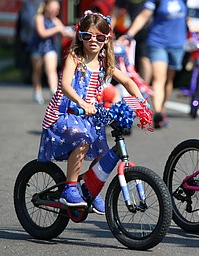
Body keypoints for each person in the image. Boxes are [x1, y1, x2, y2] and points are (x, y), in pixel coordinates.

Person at [37, 10, 146, 214]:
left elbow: (128, 82)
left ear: (106, 40)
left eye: (99, 37)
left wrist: (141, 104)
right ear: (80, 36)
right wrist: (81, 102)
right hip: (66, 112)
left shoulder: (105, 63)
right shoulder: (75, 57)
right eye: (87, 36)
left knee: (103, 153)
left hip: (88, 115)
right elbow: (66, 85)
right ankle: (70, 188)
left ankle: (89, 189)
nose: (93, 40)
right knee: (84, 140)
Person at [120, 0, 187, 129]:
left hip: (177, 44)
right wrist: (129, 34)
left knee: (169, 80)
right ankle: (157, 112)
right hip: (157, 42)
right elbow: (144, 16)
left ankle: (162, 109)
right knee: (159, 78)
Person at [29, 0, 74, 104]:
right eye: (54, 9)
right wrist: (57, 29)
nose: (56, 11)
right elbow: (42, 33)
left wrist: (73, 33)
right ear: (46, 7)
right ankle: (37, 91)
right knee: (37, 71)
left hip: (50, 48)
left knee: (51, 69)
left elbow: (63, 31)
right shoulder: (39, 18)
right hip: (37, 47)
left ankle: (54, 91)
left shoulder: (55, 20)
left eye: (57, 10)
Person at [111, 0, 153, 84]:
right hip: (126, 31)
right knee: (123, 61)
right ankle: (125, 87)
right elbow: (115, 12)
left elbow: (143, 16)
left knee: (144, 59)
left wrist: (129, 35)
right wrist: (108, 30)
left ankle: (144, 90)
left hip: (145, 32)